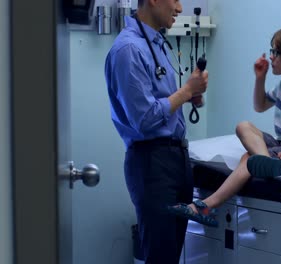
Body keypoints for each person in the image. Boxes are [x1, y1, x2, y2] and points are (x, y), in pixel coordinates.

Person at [169, 26, 281, 227]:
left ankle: (205, 205)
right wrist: (260, 78)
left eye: (277, 52)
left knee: (248, 160)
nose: (271, 57)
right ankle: (264, 161)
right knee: (243, 126)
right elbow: (260, 105)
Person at [104, 0, 208, 262]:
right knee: (160, 257)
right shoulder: (128, 49)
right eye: (174, 0)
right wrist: (186, 91)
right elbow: (144, 118)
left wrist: (189, 96)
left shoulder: (156, 44)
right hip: (152, 164)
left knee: (171, 256)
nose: (179, 8)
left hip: (177, 160)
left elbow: (162, 104)